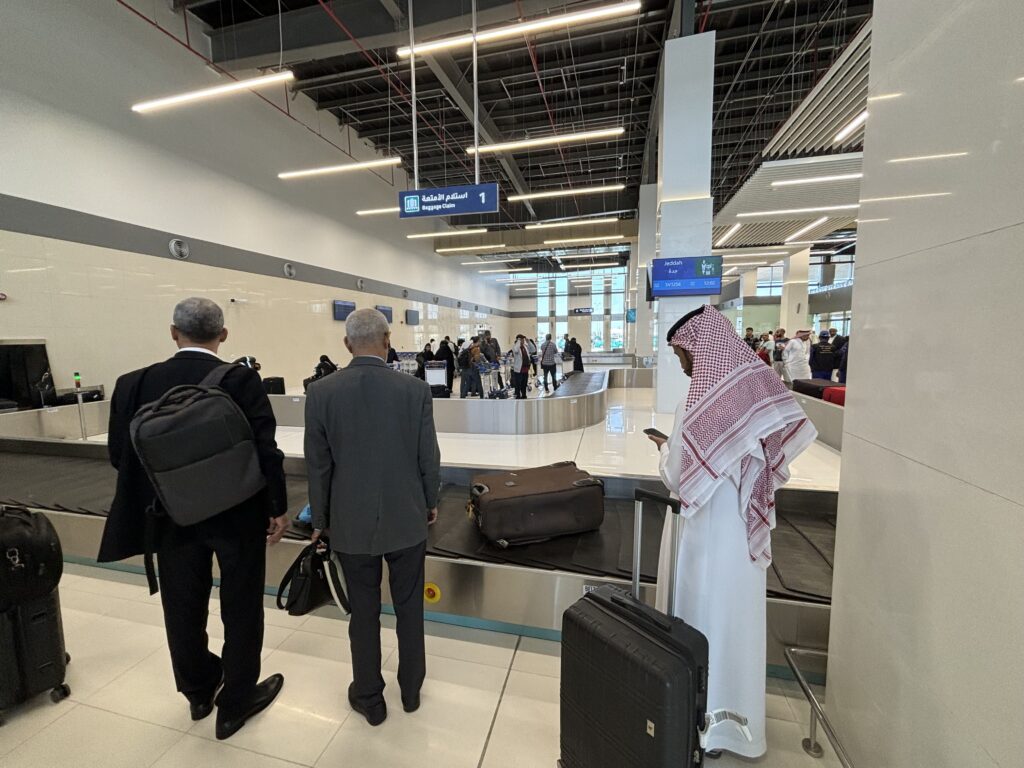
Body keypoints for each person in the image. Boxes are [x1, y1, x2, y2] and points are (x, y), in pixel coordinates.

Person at [99, 297, 287, 741]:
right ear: (223, 335)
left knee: (181, 605)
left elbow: (118, 457)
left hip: (169, 515)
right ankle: (236, 702)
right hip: (238, 515)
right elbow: (266, 450)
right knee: (241, 605)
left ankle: (198, 690)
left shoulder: (132, 383)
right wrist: (276, 507)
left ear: (172, 332)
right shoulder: (241, 380)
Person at [647, 305, 816, 759]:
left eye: (681, 352)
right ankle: (737, 726)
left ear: (697, 347)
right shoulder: (757, 388)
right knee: (735, 625)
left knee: (704, 622)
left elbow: (682, 478)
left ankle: (704, 726)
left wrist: (665, 451)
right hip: (743, 534)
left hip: (707, 536)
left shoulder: (700, 404)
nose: (681, 363)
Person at [304, 308, 441, 727]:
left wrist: (320, 519)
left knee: (362, 612)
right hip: (407, 519)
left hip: (349, 524)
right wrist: (429, 500)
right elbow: (428, 456)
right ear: (387, 340)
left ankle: (368, 696)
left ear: (347, 345)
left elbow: (319, 465)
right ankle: (411, 689)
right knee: (409, 607)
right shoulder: (415, 390)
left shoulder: (322, 393)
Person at [510, 334, 531, 399]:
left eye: (523, 340)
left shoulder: (525, 346)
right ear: (518, 340)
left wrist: (529, 342)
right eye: (521, 340)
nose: (523, 341)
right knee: (518, 384)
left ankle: (524, 395)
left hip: (525, 369)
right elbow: (516, 350)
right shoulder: (515, 347)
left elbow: (533, 349)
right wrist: (518, 341)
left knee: (524, 384)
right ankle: (518, 396)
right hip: (518, 369)